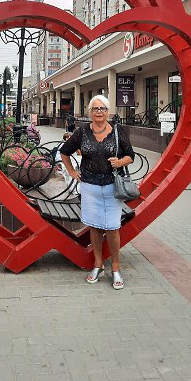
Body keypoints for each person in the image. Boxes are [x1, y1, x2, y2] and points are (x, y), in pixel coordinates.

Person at [60, 95, 134, 290]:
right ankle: (98, 264)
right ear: (90, 112)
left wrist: (120, 162)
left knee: (112, 227)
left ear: (107, 112)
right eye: (95, 109)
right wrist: (72, 171)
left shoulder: (117, 130)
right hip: (89, 187)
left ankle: (115, 267)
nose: (99, 112)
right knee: (94, 227)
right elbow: (65, 151)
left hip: (112, 187)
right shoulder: (82, 132)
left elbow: (130, 155)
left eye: (102, 108)